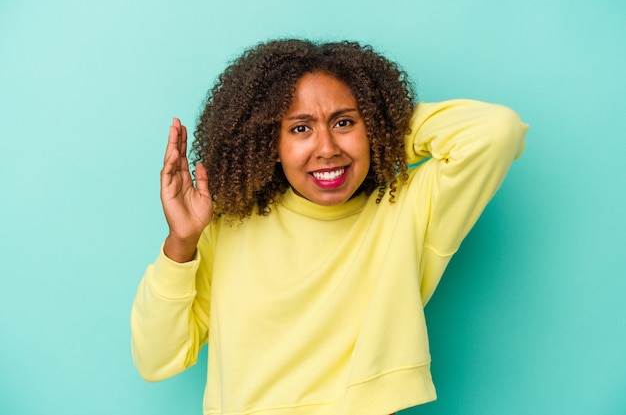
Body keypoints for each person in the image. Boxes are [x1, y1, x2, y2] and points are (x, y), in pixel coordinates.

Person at [131, 38, 528, 415]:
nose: (327, 148)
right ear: (270, 142)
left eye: (344, 122)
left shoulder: (407, 209)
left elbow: (496, 131)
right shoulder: (229, 224)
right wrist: (181, 243)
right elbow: (156, 358)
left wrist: (383, 131)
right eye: (300, 128)